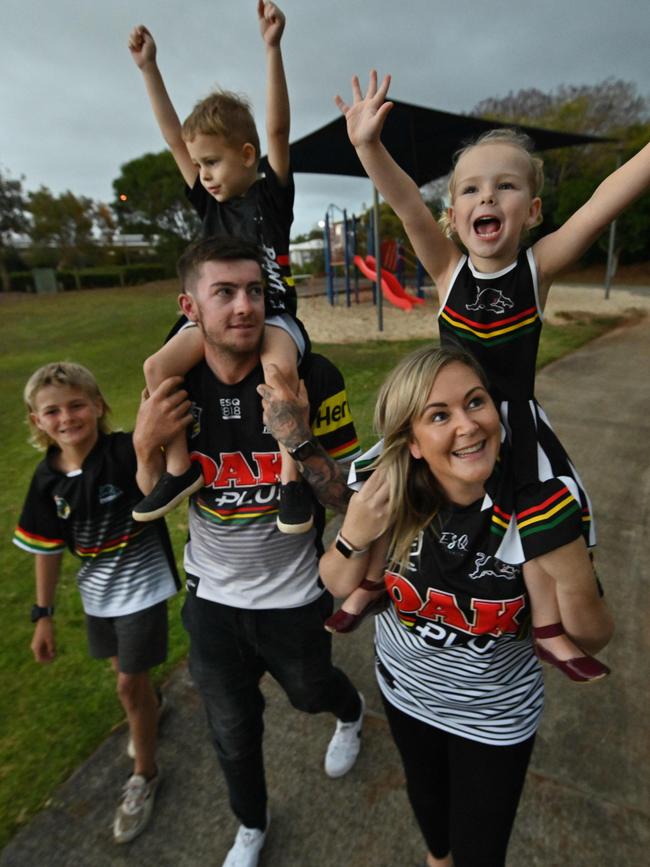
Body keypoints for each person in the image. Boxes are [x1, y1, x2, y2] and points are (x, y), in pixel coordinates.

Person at [327, 71, 650, 676]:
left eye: (505, 188)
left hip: (514, 426)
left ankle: (549, 628)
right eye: (471, 189)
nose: (487, 198)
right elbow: (403, 201)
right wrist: (369, 146)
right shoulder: (448, 270)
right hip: (448, 416)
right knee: (392, 487)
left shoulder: (537, 268)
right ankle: (369, 582)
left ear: (531, 211)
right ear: (452, 213)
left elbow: (604, 199)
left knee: (531, 518)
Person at [316, 345, 613, 867]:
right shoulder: (396, 497)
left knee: (481, 851)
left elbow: (594, 636)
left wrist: (572, 571)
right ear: (411, 442)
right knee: (432, 818)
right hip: (407, 695)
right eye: (439, 415)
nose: (468, 426)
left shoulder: (536, 503)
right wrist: (353, 535)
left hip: (495, 719)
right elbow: (335, 582)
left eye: (475, 403)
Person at [133, 235, 365, 867]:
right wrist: (144, 445)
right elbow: (149, 495)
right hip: (212, 598)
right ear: (191, 307)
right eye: (225, 293)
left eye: (255, 291)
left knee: (312, 692)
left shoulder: (313, 376)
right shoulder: (175, 383)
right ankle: (251, 825)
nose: (244, 306)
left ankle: (351, 711)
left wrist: (297, 433)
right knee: (232, 731)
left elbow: (348, 497)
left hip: (294, 595)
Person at [128, 2, 313, 534]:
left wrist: (272, 48)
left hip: (271, 316)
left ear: (247, 155)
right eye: (199, 164)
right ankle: (181, 468)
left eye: (213, 161)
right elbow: (172, 138)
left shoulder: (270, 199)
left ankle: (290, 480)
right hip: (212, 319)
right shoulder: (208, 208)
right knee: (156, 367)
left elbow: (278, 131)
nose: (204, 174)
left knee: (279, 376)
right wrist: (149, 69)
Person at [13, 362, 183, 844]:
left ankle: (144, 776)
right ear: (36, 420)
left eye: (76, 405)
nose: (66, 417)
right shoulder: (45, 481)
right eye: (52, 411)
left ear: (99, 407)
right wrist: (42, 616)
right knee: (129, 682)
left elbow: (163, 473)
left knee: (128, 685)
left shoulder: (124, 451)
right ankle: (151, 706)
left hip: (143, 587)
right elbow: (46, 552)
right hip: (98, 598)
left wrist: (155, 429)